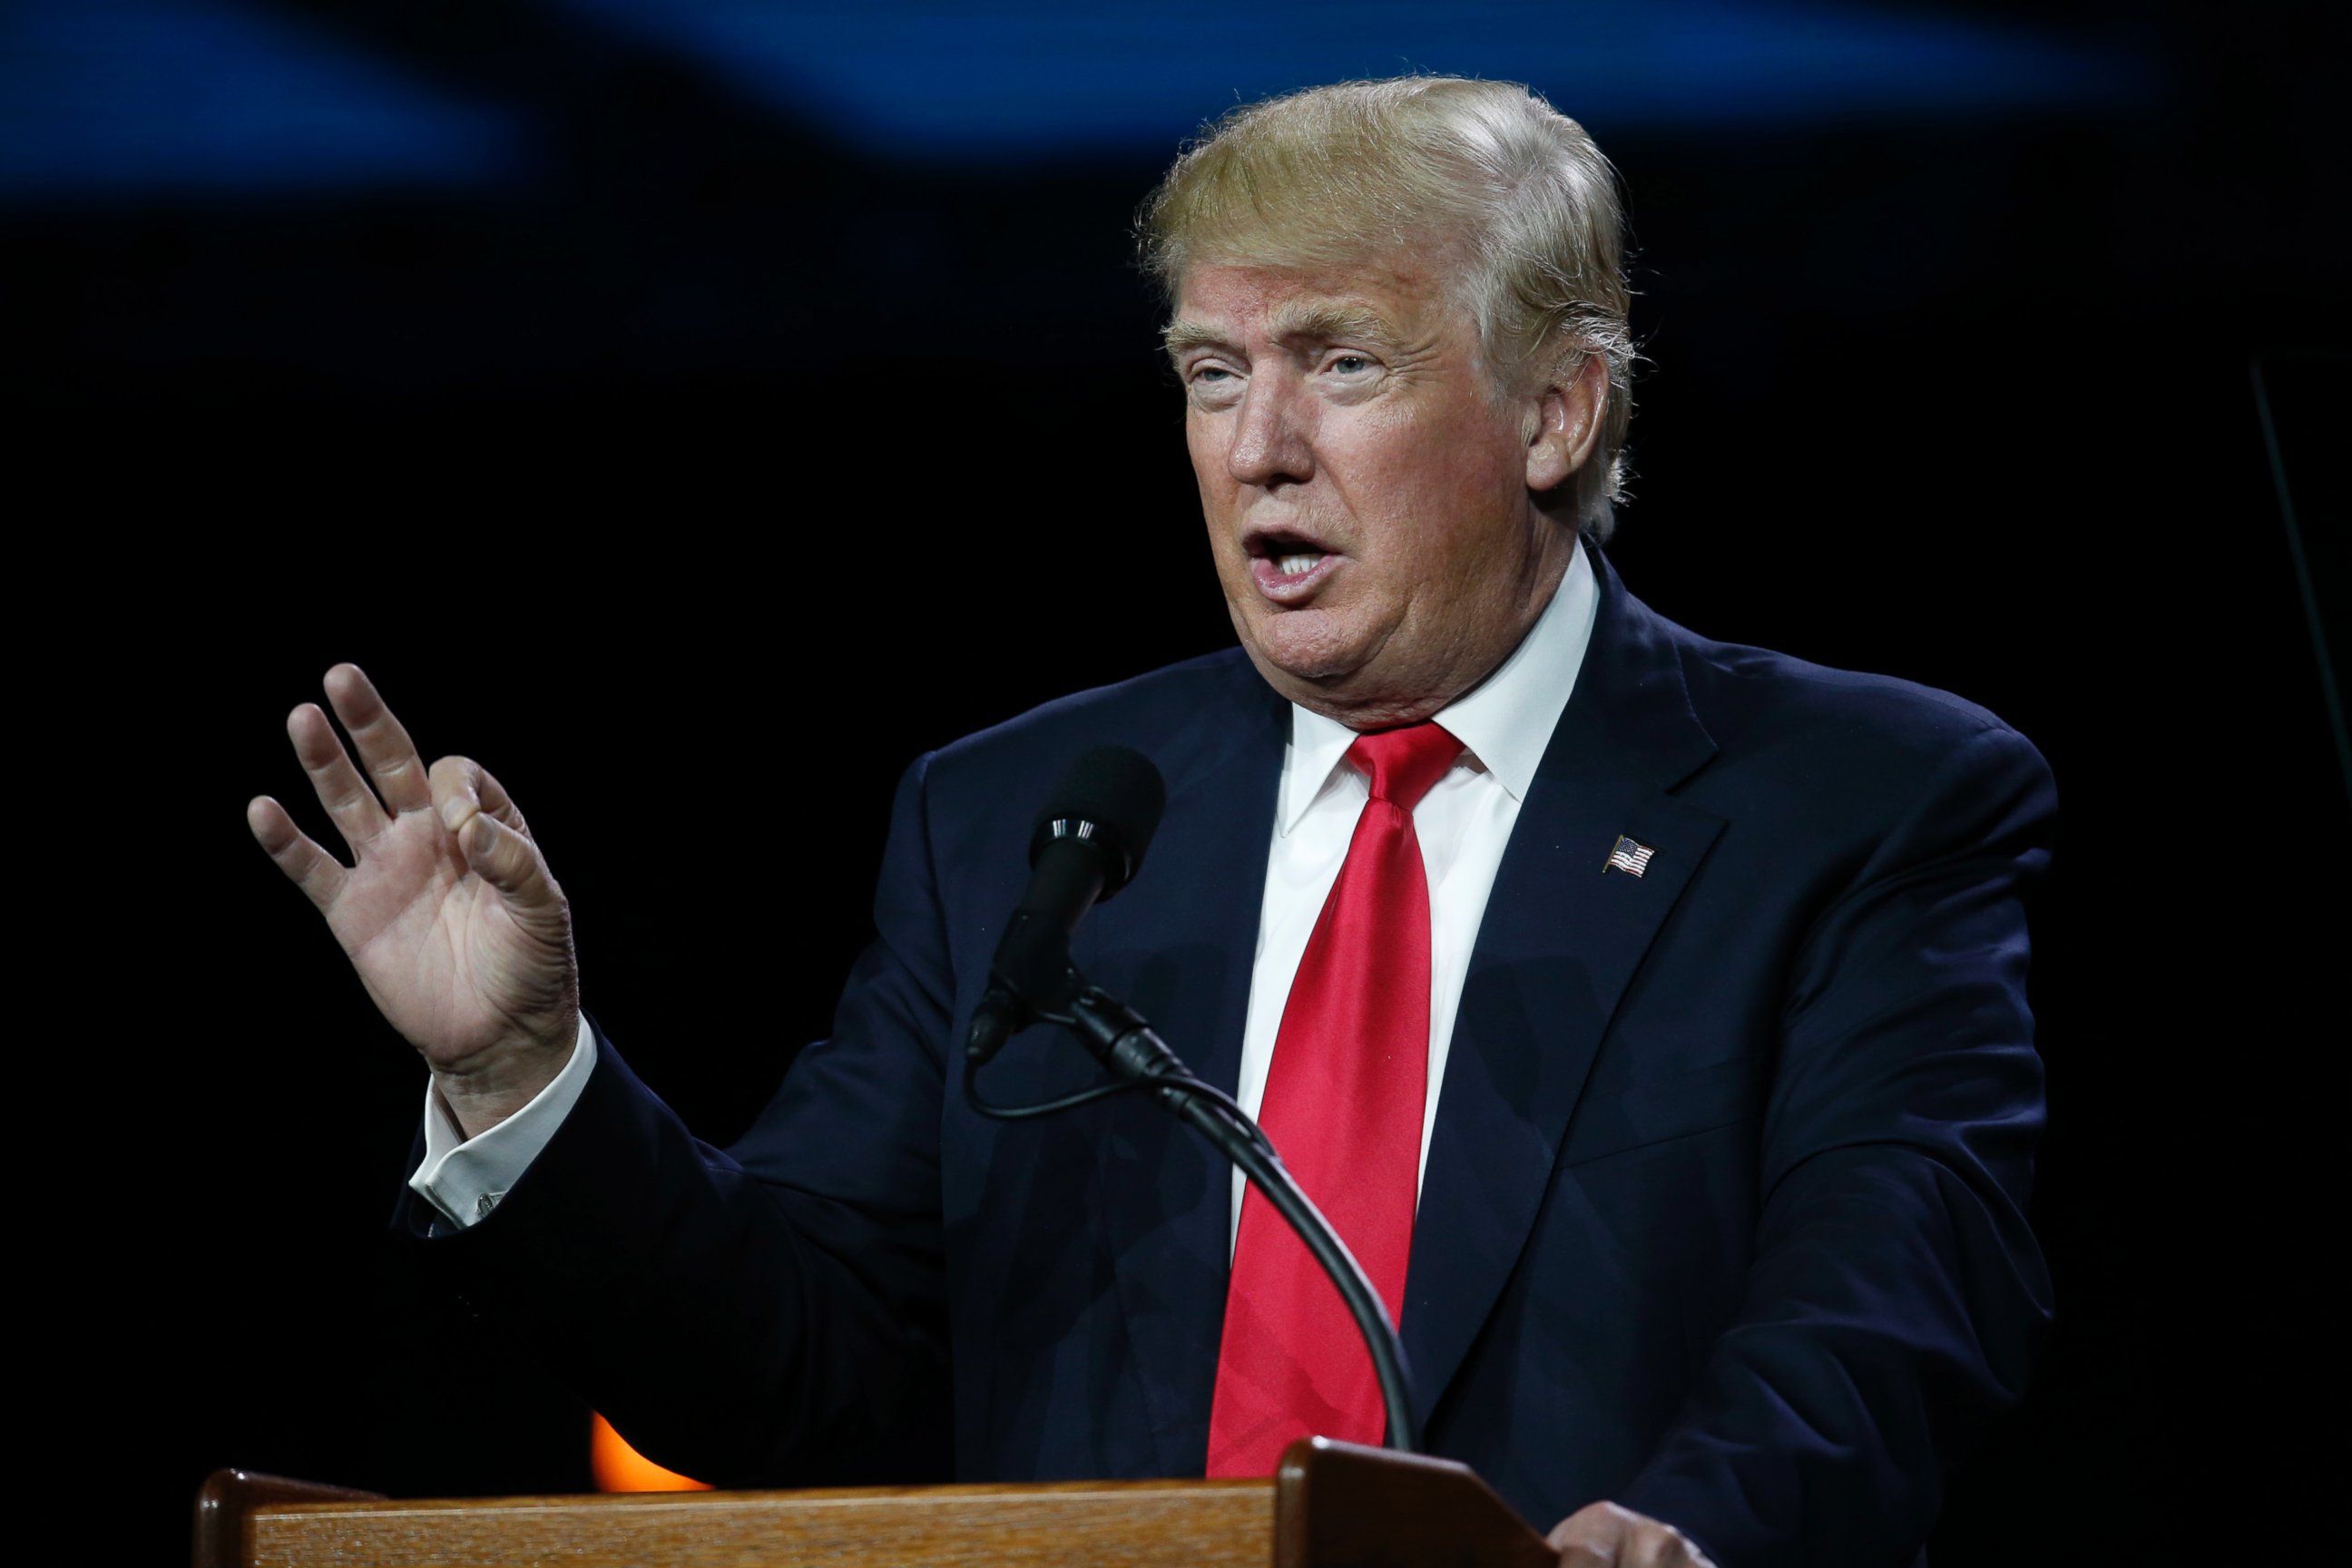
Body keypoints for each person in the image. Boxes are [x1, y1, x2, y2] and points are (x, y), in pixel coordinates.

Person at [248, 78, 2053, 1568]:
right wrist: (526, 1074)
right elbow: (795, 1370)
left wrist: (1679, 1532)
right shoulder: (1025, 823)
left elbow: (1891, 1295)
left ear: (1554, 409)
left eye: (1342, 366)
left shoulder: (1850, 803)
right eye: (1211, 373)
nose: (1257, 445)